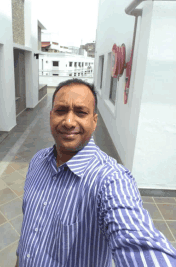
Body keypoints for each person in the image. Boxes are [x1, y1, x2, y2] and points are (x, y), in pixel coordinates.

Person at [15, 79, 176, 266]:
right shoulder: (37, 162)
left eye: (81, 112)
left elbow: (137, 239)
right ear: (50, 115)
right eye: (60, 111)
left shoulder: (111, 180)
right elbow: (29, 226)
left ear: (94, 121)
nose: (68, 122)